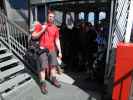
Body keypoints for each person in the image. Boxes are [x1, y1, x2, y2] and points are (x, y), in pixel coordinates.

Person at [32, 11, 62, 94]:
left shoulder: (55, 28)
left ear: (54, 18)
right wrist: (43, 30)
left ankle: (53, 79)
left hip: (52, 49)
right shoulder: (40, 26)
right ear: (47, 17)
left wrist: (60, 51)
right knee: (42, 67)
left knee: (53, 66)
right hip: (42, 50)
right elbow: (33, 36)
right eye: (49, 16)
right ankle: (43, 83)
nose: (51, 18)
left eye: (52, 17)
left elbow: (57, 40)